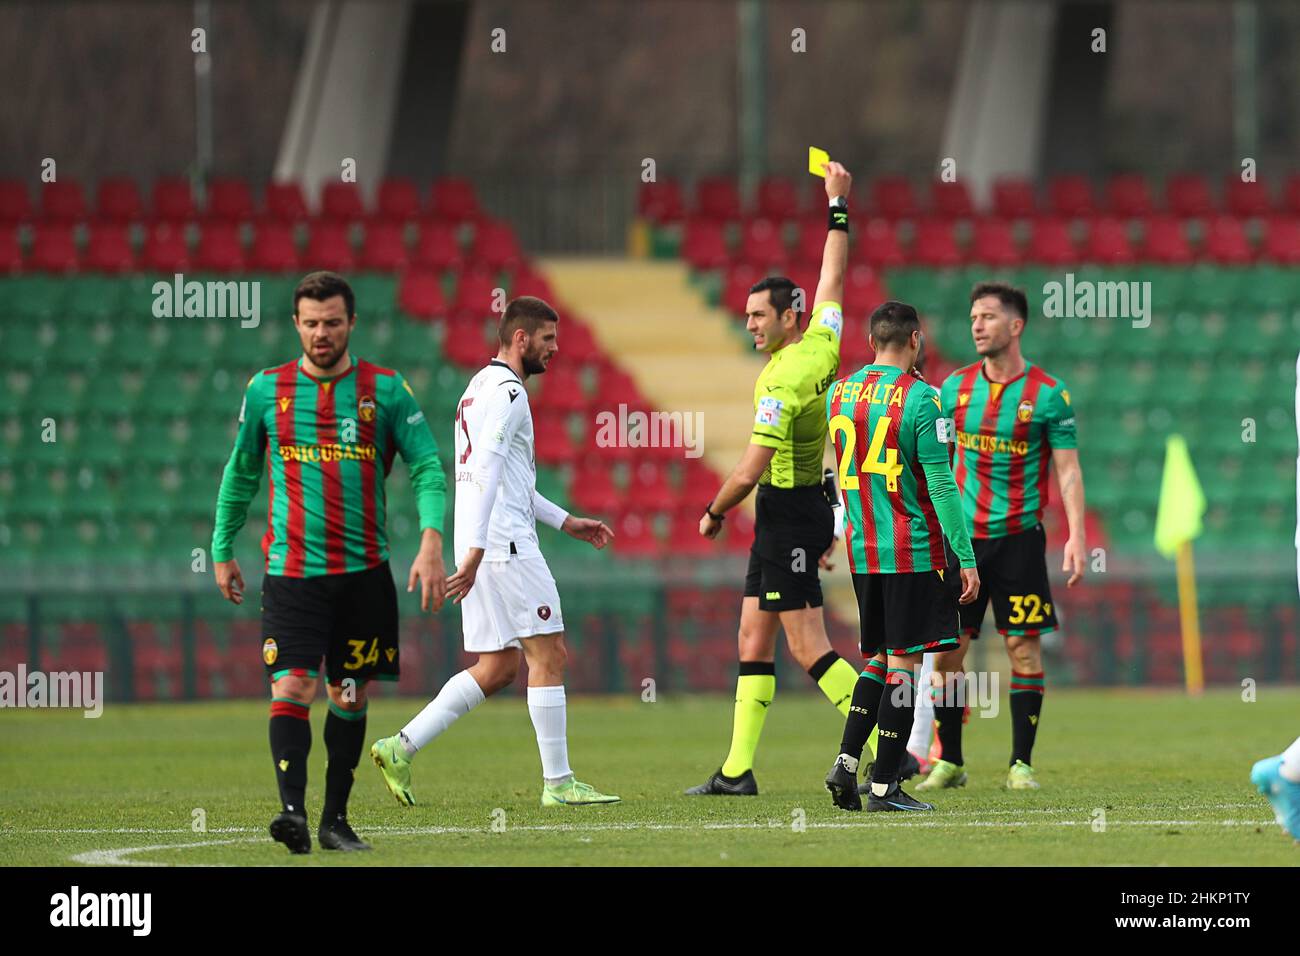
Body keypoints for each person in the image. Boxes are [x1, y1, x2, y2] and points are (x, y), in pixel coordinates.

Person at [212, 270, 448, 853]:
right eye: (311, 323)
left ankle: (335, 821)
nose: (322, 333)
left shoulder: (386, 390)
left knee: (348, 694)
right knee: (291, 685)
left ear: (352, 323)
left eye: (333, 322)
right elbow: (241, 471)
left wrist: (431, 540)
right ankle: (292, 814)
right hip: (292, 574)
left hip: (363, 574)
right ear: (296, 324)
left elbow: (427, 466)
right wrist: (222, 548)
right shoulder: (266, 390)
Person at [371, 296, 620, 807]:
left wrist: (564, 520)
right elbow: (485, 468)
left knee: (500, 665)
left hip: (481, 539)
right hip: (501, 545)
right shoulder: (509, 394)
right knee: (549, 653)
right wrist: (482, 551)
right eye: (548, 339)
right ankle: (559, 784)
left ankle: (400, 746)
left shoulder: (476, 388)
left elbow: (506, 479)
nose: (555, 349)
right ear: (521, 338)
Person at [686, 162, 872, 797]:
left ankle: (887, 746)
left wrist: (713, 510)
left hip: (789, 510)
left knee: (806, 645)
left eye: (758, 316)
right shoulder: (822, 341)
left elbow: (750, 468)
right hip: (793, 510)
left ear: (788, 315)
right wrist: (837, 205)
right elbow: (834, 275)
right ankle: (737, 771)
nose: (750, 325)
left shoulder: (782, 377)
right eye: (746, 316)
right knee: (751, 635)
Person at [918, 282, 1086, 793]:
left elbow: (1069, 472)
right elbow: (935, 466)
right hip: (963, 545)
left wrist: (1077, 535)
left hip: (1019, 542)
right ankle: (950, 762)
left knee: (1023, 651)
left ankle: (1020, 764)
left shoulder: (1050, 396)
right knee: (948, 655)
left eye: (988, 316)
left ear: (1016, 326)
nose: (977, 325)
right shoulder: (952, 390)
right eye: (974, 316)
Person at [821, 301, 979, 811]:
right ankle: (886, 785)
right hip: (912, 551)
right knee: (905, 665)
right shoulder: (923, 400)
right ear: (915, 339)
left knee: (877, 660)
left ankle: (847, 764)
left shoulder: (839, 394)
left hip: (863, 550)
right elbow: (940, 483)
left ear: (871, 341)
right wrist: (965, 555)